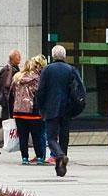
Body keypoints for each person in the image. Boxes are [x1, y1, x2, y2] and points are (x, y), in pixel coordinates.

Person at [36, 45, 84, 177]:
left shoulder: (47, 69)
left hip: (51, 108)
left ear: (53, 56)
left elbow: (41, 91)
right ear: (64, 56)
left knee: (51, 138)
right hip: (67, 108)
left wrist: (40, 106)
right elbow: (80, 88)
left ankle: (60, 156)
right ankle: (61, 166)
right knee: (64, 137)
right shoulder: (71, 69)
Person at [10, 55, 47, 164]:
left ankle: (24, 158)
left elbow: (11, 94)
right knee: (36, 136)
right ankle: (40, 157)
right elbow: (39, 93)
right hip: (32, 112)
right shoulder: (36, 78)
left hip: (18, 111)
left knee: (23, 137)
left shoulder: (17, 78)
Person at [0, 50, 22, 141]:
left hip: (10, 100)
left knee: (4, 119)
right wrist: (8, 101)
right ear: (12, 58)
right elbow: (5, 86)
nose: (20, 58)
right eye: (18, 56)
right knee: (4, 120)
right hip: (8, 100)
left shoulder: (14, 68)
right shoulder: (8, 70)